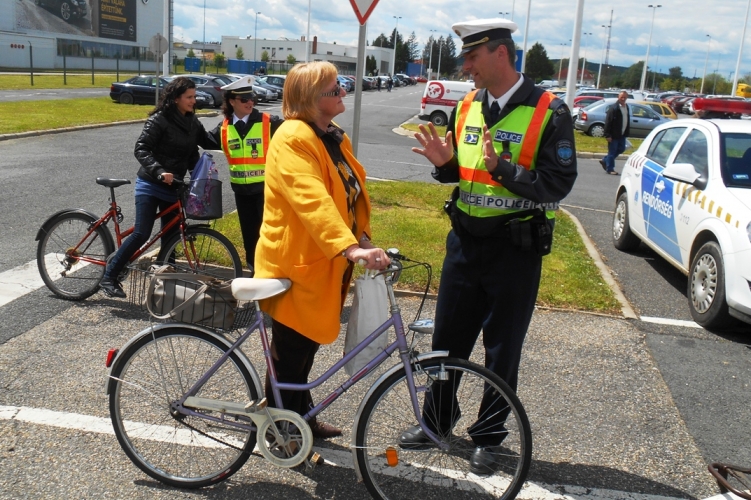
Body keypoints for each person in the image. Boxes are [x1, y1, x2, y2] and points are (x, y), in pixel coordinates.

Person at [402, 18, 578, 475]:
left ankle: (489, 437)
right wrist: (445, 166)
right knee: (445, 342)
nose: (466, 66)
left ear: (501, 53)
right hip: (464, 244)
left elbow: (558, 182)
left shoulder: (550, 111)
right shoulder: (466, 106)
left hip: (514, 251)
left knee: (502, 349)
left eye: (473, 56)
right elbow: (463, 173)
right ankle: (437, 421)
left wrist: (504, 169)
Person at [254, 61, 390, 438]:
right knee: (290, 357)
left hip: (320, 263)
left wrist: (362, 240)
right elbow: (312, 200)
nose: (344, 91)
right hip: (294, 267)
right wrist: (349, 248)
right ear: (312, 98)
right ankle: (281, 433)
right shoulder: (293, 137)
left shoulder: (331, 137)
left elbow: (347, 196)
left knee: (304, 352)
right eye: (335, 88)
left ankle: (301, 420)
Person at [100, 77, 218, 298]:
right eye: (189, 97)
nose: (194, 100)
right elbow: (141, 148)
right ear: (176, 99)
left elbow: (206, 144)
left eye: (194, 96)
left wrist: (231, 119)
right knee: (141, 233)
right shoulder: (159, 119)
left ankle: (166, 285)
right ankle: (109, 277)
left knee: (171, 237)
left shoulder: (192, 122)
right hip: (151, 184)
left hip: (174, 187)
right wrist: (159, 171)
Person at [207, 76, 283, 270]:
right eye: (244, 99)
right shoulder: (224, 127)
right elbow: (201, 139)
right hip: (241, 192)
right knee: (249, 235)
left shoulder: (269, 122)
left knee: (270, 234)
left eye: (252, 98)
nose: (250, 102)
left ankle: (272, 270)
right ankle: (254, 270)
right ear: (232, 102)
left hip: (266, 190)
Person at [600, 91, 630, 175]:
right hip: (613, 135)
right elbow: (608, 122)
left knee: (621, 149)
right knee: (612, 152)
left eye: (625, 97)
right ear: (618, 97)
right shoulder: (614, 108)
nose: (623, 99)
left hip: (622, 134)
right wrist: (607, 135)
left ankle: (605, 160)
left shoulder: (626, 107)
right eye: (621, 97)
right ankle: (610, 169)